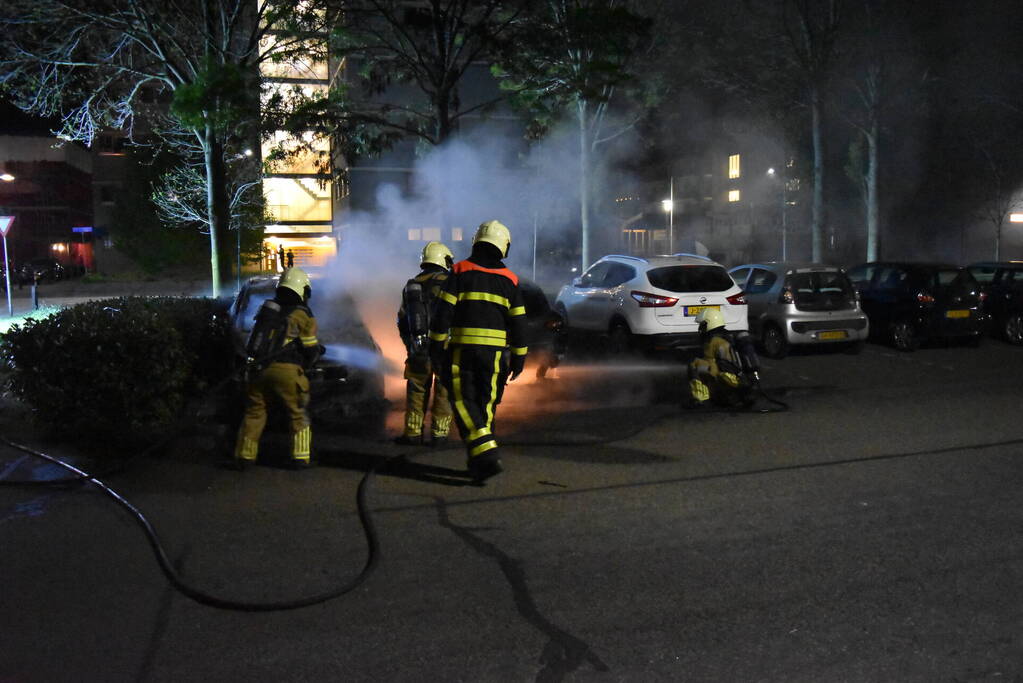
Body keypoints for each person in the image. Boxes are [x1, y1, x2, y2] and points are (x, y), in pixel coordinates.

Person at [429, 220, 528, 482]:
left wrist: (436, 348)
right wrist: (519, 357)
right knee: (486, 406)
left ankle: (484, 454)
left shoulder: (460, 271)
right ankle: (481, 462)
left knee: (462, 401)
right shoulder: (510, 280)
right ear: (503, 246)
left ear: (477, 241)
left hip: (462, 351)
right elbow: (519, 322)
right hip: (495, 356)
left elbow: (442, 314)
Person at [234, 267, 322, 469]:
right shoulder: (304, 315)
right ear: (302, 290)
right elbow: (310, 348)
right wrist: (314, 357)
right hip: (287, 371)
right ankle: (301, 457)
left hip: (258, 369)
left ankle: (244, 457)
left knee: (255, 412)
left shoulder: (267, 309)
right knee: (297, 413)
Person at [395, 241, 455, 446]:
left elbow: (402, 319)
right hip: (445, 348)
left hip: (418, 348)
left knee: (416, 389)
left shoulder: (411, 285)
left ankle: (412, 432)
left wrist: (410, 344)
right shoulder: (450, 282)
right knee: (444, 390)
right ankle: (439, 434)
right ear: (445, 260)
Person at [687, 308, 756, 408]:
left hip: (734, 380)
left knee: (695, 364)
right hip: (740, 380)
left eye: (703, 324)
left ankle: (701, 399)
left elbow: (723, 365)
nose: (700, 328)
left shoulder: (715, 341)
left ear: (710, 323)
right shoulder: (725, 336)